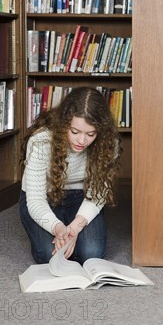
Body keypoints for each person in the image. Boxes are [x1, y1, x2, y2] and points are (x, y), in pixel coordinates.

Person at [19, 87, 122, 264]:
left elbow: (98, 193)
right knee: (48, 255)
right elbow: (35, 199)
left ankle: (72, 237)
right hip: (45, 196)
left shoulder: (107, 143)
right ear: (64, 123)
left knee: (91, 253)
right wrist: (58, 229)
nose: (82, 141)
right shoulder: (41, 141)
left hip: (81, 196)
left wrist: (74, 229)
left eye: (90, 134)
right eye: (75, 132)